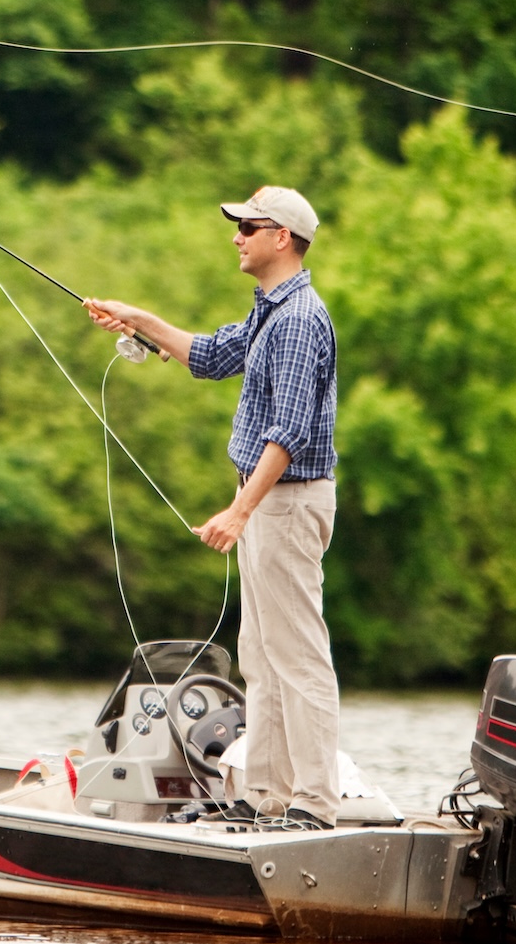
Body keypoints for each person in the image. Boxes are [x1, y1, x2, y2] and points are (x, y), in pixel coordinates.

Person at [84, 186, 341, 829]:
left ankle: (313, 803)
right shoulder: (267, 312)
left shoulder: (299, 320)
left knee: (298, 655)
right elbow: (207, 356)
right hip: (267, 503)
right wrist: (136, 319)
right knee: (260, 653)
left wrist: (240, 511)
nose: (236, 237)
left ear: (281, 237)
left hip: (283, 502)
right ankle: (267, 796)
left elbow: (289, 433)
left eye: (247, 227)